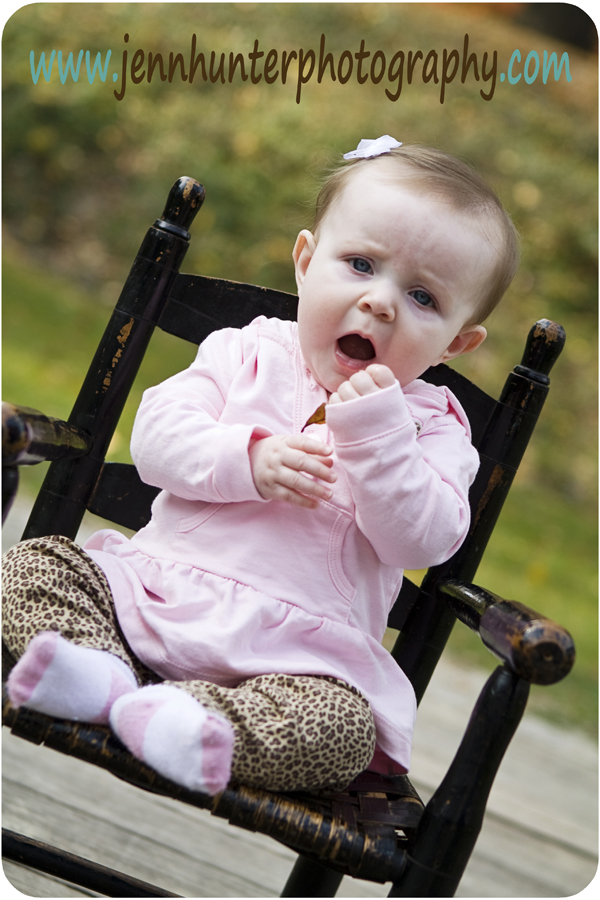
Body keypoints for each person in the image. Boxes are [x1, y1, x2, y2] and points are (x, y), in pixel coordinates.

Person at [3, 136, 519, 796]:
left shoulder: (434, 428)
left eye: (423, 298)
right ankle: (96, 672)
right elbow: (157, 438)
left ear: (457, 343)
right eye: (361, 264)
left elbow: (424, 540)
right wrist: (246, 458)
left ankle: (193, 724)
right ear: (306, 262)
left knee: (345, 731)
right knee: (35, 565)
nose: (381, 302)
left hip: (300, 661)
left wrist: (380, 439)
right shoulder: (246, 350)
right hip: (152, 601)